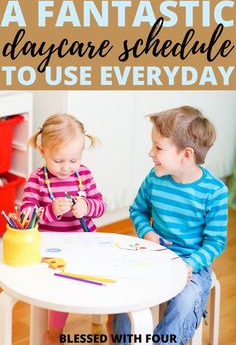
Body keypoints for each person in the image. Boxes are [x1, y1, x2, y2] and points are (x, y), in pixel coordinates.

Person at [112, 106, 228, 344]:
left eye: (158, 147)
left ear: (186, 155)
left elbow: (215, 242)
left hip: (193, 266)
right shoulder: (155, 178)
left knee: (186, 300)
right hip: (154, 256)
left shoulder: (214, 192)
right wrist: (148, 232)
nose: (150, 153)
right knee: (126, 289)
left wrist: (190, 264)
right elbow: (138, 210)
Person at [21, 113, 106, 345]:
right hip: (51, 247)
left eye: (74, 160)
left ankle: (105, 315)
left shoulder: (84, 174)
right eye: (59, 161)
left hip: (84, 243)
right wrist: (50, 210)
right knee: (60, 286)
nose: (67, 168)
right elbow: (25, 216)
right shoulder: (37, 179)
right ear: (42, 151)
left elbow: (100, 206)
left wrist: (87, 206)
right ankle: (54, 332)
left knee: (105, 275)